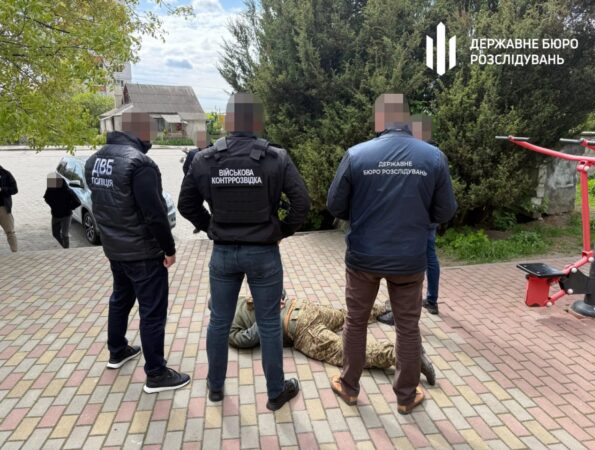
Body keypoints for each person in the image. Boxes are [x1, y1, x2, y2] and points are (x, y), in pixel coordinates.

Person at [178, 92, 310, 411]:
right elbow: (301, 204)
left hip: (223, 254)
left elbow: (186, 205)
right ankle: (275, 393)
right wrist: (281, 231)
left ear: (227, 121)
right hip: (263, 253)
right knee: (269, 322)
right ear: (258, 121)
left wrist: (211, 227)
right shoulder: (276, 158)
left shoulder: (204, 159)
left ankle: (215, 387)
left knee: (219, 321)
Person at [326, 93, 457, 414]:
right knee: (407, 326)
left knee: (355, 321)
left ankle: (349, 387)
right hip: (409, 259)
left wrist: (362, 212)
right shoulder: (433, 157)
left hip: (363, 257)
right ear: (407, 119)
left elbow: (335, 205)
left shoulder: (357, 155)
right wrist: (417, 218)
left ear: (379, 119)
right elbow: (445, 210)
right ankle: (406, 396)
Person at [85, 130, 190, 394]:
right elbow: (154, 213)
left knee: (120, 299)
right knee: (152, 311)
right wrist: (169, 248)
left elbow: (102, 204)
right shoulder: (140, 164)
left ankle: (117, 350)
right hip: (142, 252)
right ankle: (156, 373)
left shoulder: (95, 160)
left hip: (115, 248)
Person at [226, 292, 437, 386]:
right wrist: (273, 301)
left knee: (346, 351)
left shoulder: (228, 326)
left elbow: (247, 339)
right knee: (347, 317)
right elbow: (278, 289)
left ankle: (404, 355)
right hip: (305, 307)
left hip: (300, 327)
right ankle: (385, 308)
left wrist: (266, 315)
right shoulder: (244, 296)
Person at [43, 174, 81, 249]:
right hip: (55, 215)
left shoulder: (68, 191)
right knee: (55, 233)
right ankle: (64, 246)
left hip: (66, 216)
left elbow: (77, 202)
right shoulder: (50, 189)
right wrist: (53, 205)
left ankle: (66, 250)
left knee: (65, 235)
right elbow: (46, 198)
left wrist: (68, 207)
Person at [0, 164, 18, 252]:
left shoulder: (6, 174)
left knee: (10, 232)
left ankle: (15, 253)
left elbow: (15, 189)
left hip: (3, 208)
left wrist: (3, 189)